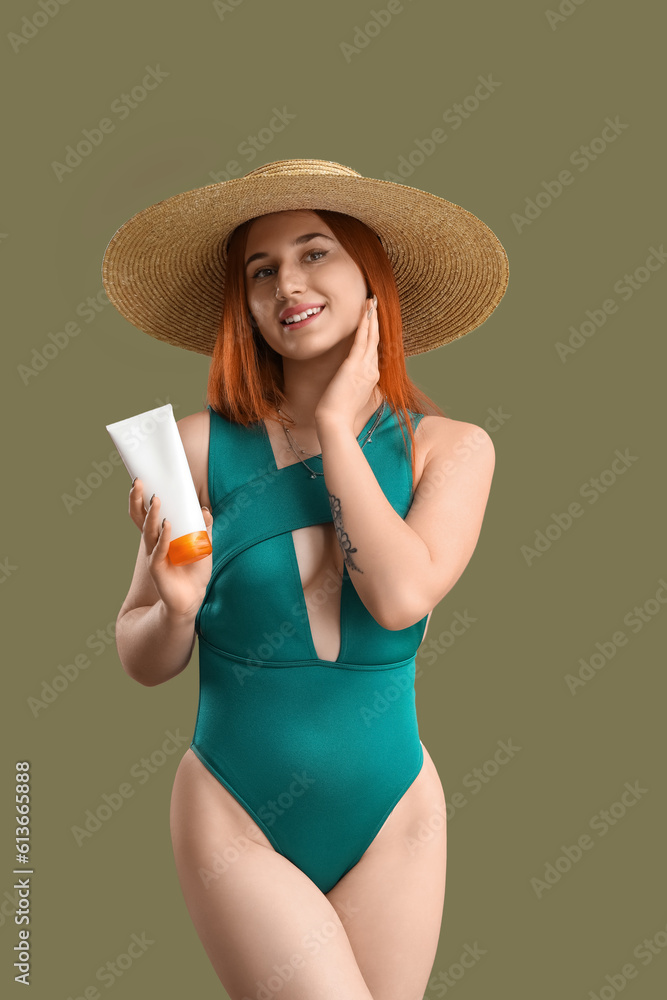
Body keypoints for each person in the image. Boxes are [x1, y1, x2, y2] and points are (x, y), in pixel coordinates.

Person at [102, 158, 509, 1000]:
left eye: (315, 253)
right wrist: (175, 613)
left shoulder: (452, 449)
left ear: (372, 281)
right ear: (244, 305)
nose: (287, 283)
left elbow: (398, 597)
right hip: (233, 807)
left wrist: (333, 425)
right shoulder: (197, 449)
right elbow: (139, 657)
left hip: (395, 813)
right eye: (261, 270)